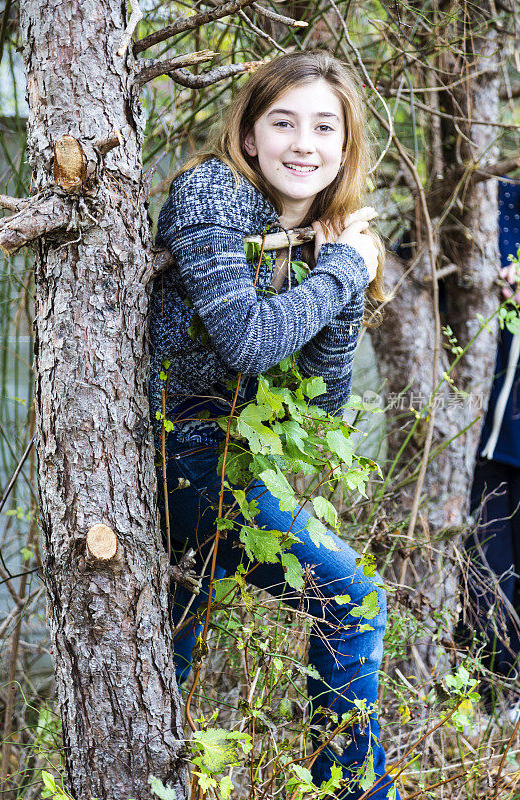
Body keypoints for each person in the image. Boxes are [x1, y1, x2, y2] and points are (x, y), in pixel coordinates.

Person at [149, 50, 398, 799]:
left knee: (166, 657)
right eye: (283, 122)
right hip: (180, 446)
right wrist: (344, 273)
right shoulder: (211, 197)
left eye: (325, 127)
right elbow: (248, 340)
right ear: (249, 135)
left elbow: (319, 404)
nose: (303, 143)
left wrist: (340, 271)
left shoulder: (318, 230)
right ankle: (352, 794)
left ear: (345, 146)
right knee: (352, 601)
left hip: (233, 455)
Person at [457, 180, 520, 716]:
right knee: (485, 575)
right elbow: (408, 261)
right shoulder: (490, 197)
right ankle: (484, 707)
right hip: (485, 440)